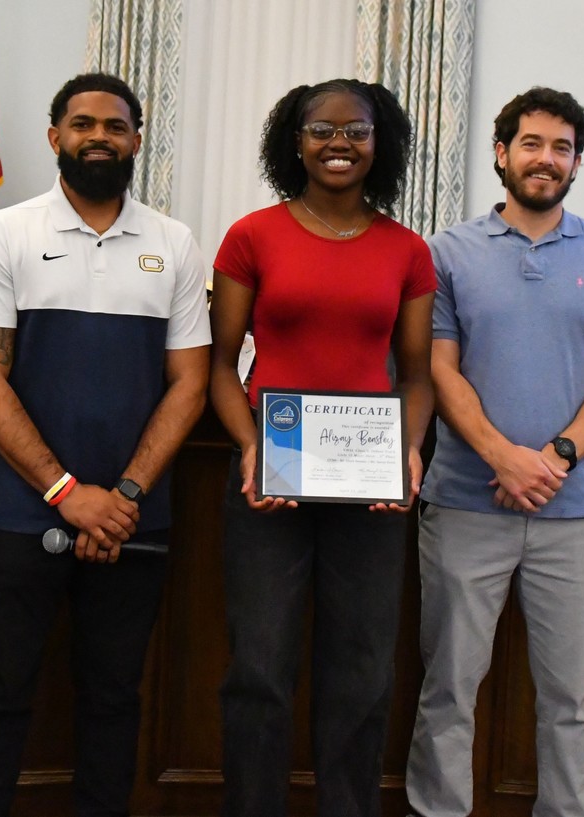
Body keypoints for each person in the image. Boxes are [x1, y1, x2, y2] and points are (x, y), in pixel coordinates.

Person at [0, 72, 211, 817]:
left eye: (114, 125)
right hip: (18, 511)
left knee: (113, 695)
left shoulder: (174, 242)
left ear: (136, 139)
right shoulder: (5, 233)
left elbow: (189, 384)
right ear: (54, 135)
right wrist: (69, 494)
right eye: (82, 123)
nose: (98, 135)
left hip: (135, 517)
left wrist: (122, 495)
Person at [405, 87, 584, 817]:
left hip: (575, 514)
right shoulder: (446, 254)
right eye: (533, 143)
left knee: (571, 697)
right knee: (448, 684)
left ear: (577, 162)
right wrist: (502, 457)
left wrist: (555, 458)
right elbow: (438, 370)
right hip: (461, 503)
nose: (547, 159)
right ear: (501, 152)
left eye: (563, 147)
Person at [210, 78, 436, 817]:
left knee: (363, 672)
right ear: (295, 141)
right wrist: (248, 446)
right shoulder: (251, 236)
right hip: (265, 480)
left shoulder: (407, 250)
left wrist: (406, 451)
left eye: (357, 130)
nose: (339, 143)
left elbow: (415, 375)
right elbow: (220, 366)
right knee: (260, 669)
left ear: (381, 141)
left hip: (369, 486)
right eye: (321, 129)